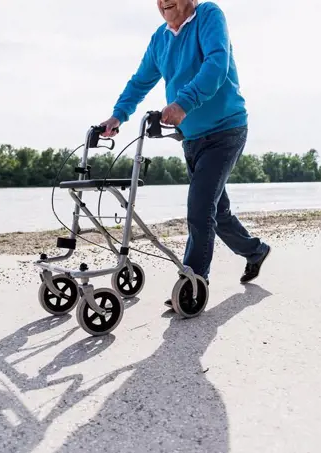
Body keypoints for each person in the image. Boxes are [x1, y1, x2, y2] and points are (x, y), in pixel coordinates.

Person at [100, 0, 271, 302]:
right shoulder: (160, 39)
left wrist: (183, 103)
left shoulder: (208, 15)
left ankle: (193, 283)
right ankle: (255, 250)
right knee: (217, 210)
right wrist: (118, 116)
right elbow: (140, 82)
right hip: (191, 137)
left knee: (201, 207)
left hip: (226, 130)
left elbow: (216, 64)